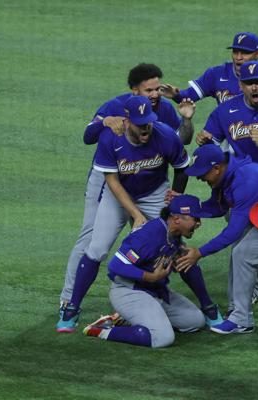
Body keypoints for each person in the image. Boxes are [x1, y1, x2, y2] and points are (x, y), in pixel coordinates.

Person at [56, 96, 221, 333]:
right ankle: (71, 309)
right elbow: (111, 181)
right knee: (97, 249)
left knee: (177, 247)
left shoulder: (164, 136)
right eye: (140, 123)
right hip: (118, 194)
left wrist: (175, 197)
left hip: (154, 192)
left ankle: (208, 307)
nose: (146, 128)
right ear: (127, 121)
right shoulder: (111, 138)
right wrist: (135, 214)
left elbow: (182, 168)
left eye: (149, 122)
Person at [59, 63, 196, 312]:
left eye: (157, 89)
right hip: (110, 176)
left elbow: (180, 142)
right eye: (149, 90)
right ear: (135, 91)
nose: (155, 94)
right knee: (91, 239)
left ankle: (140, 296)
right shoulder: (114, 106)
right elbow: (87, 136)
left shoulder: (162, 109)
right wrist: (106, 122)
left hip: (150, 180)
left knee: (161, 238)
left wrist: (187, 121)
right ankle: (68, 300)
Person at [174, 144, 258, 335]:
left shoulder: (247, 181)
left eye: (202, 172)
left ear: (217, 168)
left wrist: (200, 252)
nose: (199, 177)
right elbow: (217, 207)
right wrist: (184, 207)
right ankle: (241, 318)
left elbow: (233, 231)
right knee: (243, 254)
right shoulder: (225, 178)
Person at [82, 195, 208, 348]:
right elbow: (115, 265)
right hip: (129, 291)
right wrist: (150, 277)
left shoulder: (174, 236)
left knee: (195, 321)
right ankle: (102, 330)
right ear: (177, 219)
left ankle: (127, 317)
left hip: (156, 292)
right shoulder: (148, 235)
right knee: (162, 338)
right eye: (195, 219)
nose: (199, 223)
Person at [160, 32, 258, 105]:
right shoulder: (216, 74)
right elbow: (190, 96)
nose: (238, 57)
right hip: (232, 137)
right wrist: (176, 95)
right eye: (235, 52)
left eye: (245, 53)